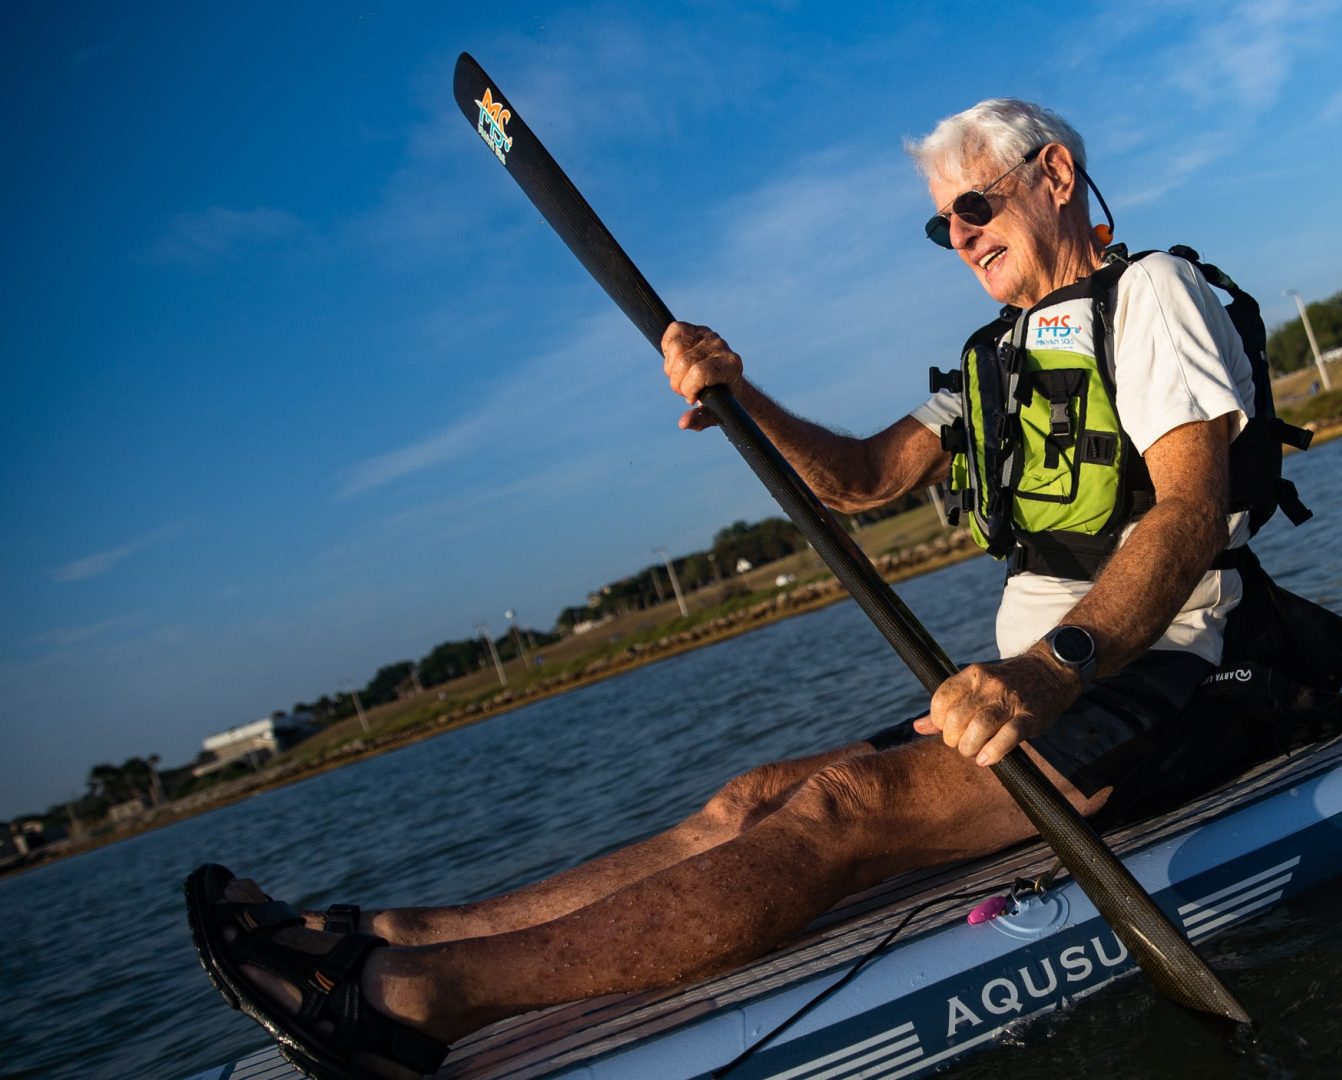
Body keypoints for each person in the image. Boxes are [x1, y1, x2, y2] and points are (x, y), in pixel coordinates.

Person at [188, 99, 1275, 1080]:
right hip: (1029, 691)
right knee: (751, 797)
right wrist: (742, 395)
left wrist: (1051, 669)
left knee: (841, 809)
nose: (960, 236)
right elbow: (861, 480)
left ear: (1057, 176)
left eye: (976, 204)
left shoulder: (1150, 296)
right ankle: (383, 941)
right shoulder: (993, 358)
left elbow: (1184, 513)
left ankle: (406, 1007)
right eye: (942, 221)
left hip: (1154, 676)